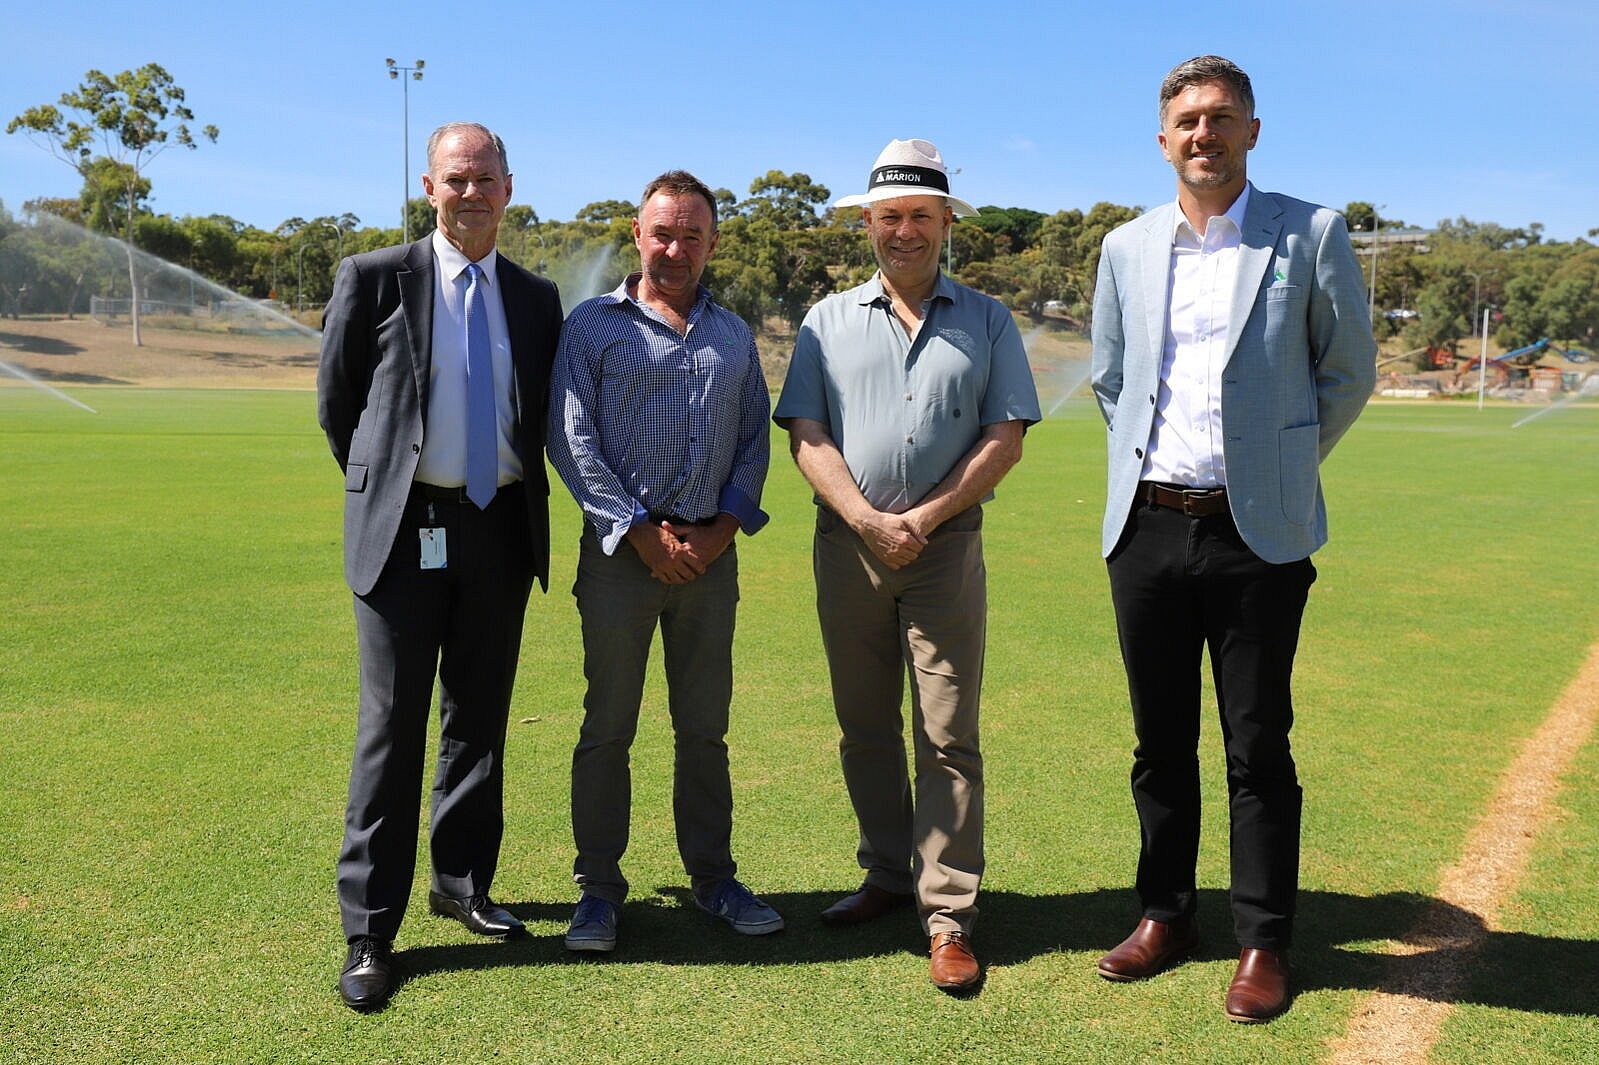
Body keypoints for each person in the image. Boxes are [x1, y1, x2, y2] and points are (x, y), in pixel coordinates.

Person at [1089, 56, 1376, 1022]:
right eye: (1186, 120)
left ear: (1252, 130)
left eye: (1221, 117)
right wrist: (1148, 474)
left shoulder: (1310, 231)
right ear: (1162, 139)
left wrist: (1280, 467)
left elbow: (1345, 370)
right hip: (1148, 531)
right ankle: (1165, 915)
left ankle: (1262, 939)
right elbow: (1110, 377)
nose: (1202, 134)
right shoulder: (1126, 246)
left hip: (1259, 537)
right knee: (1157, 743)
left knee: (1258, 746)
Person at [774, 139, 1040, 993]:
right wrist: (863, 517)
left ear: (946, 222)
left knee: (947, 733)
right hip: (845, 548)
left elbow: (1006, 435)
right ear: (868, 224)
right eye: (889, 216)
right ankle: (888, 874)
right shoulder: (824, 320)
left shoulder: (987, 318)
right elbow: (805, 434)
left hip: (944, 549)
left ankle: (948, 913)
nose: (905, 231)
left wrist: (921, 518)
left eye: (921, 216)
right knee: (863, 725)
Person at [317, 122, 562, 1011]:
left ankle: (461, 882)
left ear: (509, 187)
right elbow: (340, 407)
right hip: (403, 534)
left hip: (498, 532)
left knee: (481, 718)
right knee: (391, 726)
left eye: (484, 178)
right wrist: (393, 488)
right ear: (429, 188)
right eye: (454, 178)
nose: (470, 192)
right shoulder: (376, 276)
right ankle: (369, 930)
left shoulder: (536, 299)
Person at [546, 170, 780, 952]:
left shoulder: (734, 335)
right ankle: (598, 889)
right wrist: (639, 529)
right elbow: (571, 440)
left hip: (710, 563)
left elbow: (753, 437)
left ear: (712, 243)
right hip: (621, 558)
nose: (675, 249)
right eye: (662, 233)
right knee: (607, 728)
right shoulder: (592, 327)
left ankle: (712, 875)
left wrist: (718, 532)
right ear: (637, 235)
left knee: (703, 729)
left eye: (691, 235)